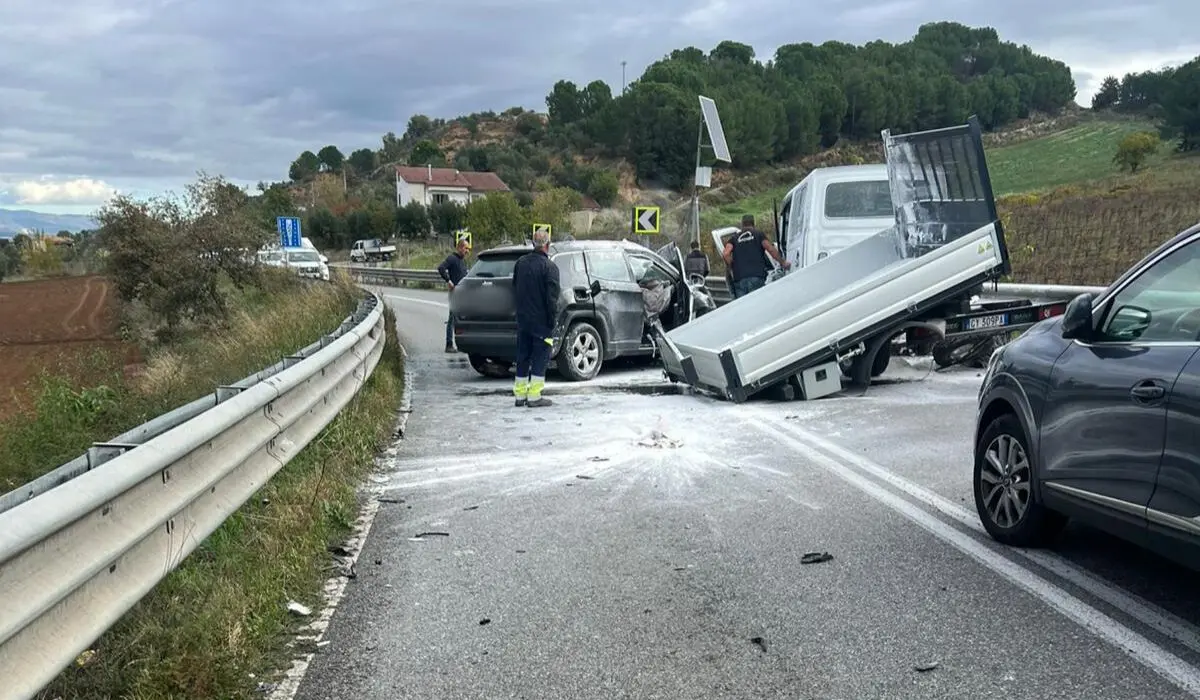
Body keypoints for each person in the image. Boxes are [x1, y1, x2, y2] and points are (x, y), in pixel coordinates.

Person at [511, 230, 560, 408]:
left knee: (522, 356)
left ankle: (520, 395)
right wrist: (552, 321)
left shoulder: (520, 264)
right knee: (540, 357)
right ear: (547, 245)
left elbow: (514, 288)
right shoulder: (550, 268)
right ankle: (534, 396)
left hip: (523, 320)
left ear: (533, 244)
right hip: (541, 322)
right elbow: (552, 299)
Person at [722, 214, 789, 299]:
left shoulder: (734, 238)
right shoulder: (759, 235)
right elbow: (770, 249)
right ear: (753, 223)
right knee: (756, 305)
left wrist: (731, 265)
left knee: (743, 307)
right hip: (757, 277)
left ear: (742, 224)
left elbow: (726, 254)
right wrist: (783, 262)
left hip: (740, 280)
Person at [437, 238, 471, 353]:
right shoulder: (452, 258)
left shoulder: (463, 261)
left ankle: (463, 344)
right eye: (466, 248)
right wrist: (448, 281)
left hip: (463, 293)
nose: (467, 251)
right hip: (455, 293)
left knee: (462, 319)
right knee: (452, 319)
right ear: (460, 247)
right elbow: (441, 268)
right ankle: (449, 344)